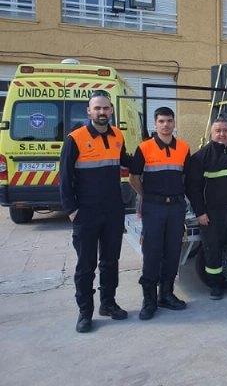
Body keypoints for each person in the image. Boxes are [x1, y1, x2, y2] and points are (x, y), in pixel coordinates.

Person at [59, 90, 130, 333]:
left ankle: (108, 304)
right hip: (86, 214)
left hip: (112, 211)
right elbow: (65, 179)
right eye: (97, 108)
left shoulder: (118, 135)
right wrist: (72, 211)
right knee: (86, 266)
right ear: (89, 111)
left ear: (111, 111)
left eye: (106, 108)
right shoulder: (75, 138)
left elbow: (126, 162)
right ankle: (85, 312)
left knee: (110, 262)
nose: (102, 112)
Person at [129, 107, 190, 320]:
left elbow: (187, 177)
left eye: (169, 121)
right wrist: (146, 195)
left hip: (176, 207)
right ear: (155, 124)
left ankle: (167, 294)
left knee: (173, 251)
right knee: (153, 253)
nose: (166, 125)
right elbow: (133, 177)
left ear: (174, 123)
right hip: (153, 207)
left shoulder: (183, 148)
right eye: (161, 121)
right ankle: (149, 300)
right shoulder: (144, 148)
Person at [185, 117, 227, 302]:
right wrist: (200, 212)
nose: (222, 134)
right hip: (211, 215)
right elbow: (193, 188)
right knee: (212, 250)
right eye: (218, 130)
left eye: (226, 130)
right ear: (211, 133)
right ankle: (215, 285)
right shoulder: (200, 158)